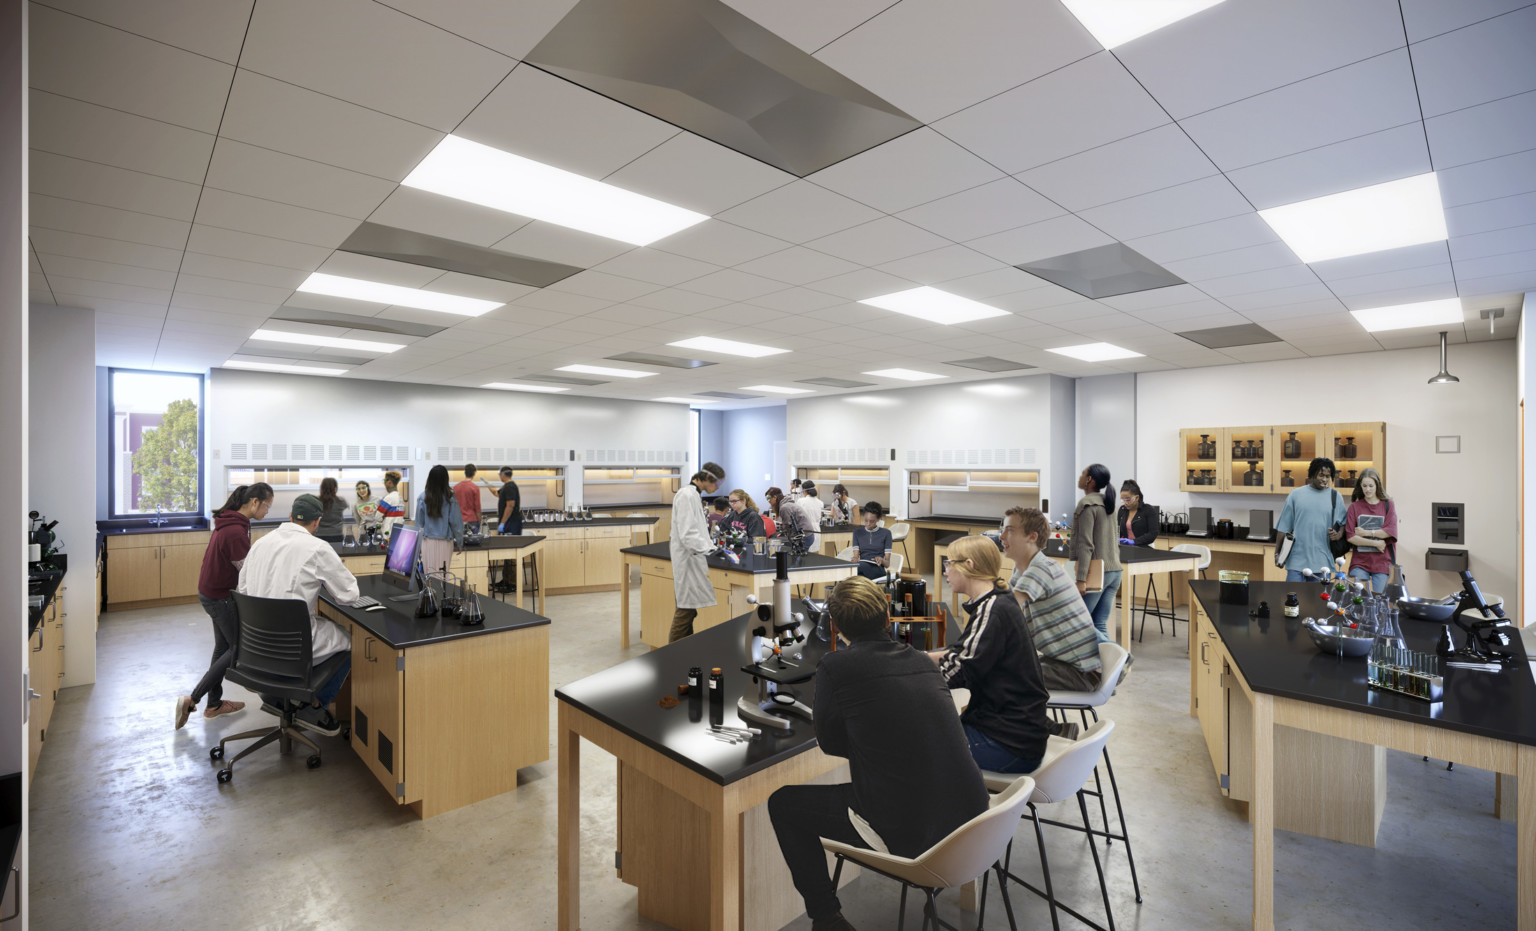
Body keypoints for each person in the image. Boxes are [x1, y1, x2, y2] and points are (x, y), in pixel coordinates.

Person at [769, 576, 987, 931]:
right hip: (974, 823)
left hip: (917, 833)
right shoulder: (920, 659)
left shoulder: (835, 667)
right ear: (888, 619)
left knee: (782, 804)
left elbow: (830, 743)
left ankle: (826, 918)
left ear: (836, 627)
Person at [929, 535, 1059, 772]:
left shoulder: (992, 611)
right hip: (1017, 732)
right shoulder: (998, 599)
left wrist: (904, 676)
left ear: (969, 565)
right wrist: (922, 657)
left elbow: (956, 672)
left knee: (913, 745)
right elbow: (963, 651)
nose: (945, 571)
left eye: (948, 564)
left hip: (1008, 744)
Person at [236, 493, 358, 736]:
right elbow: (349, 596)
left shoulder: (261, 543)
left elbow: (242, 590)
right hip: (292, 647)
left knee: (314, 630)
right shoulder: (317, 548)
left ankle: (275, 696)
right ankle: (313, 705)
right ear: (317, 522)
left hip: (254, 647)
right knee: (350, 642)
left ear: (291, 517)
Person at [173, 482, 273, 730]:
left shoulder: (232, 522)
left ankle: (214, 704)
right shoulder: (235, 532)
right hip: (220, 597)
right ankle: (193, 698)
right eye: (267, 506)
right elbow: (247, 573)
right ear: (254, 503)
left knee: (222, 647)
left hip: (211, 592)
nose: (267, 512)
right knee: (238, 648)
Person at [1003, 506, 1104, 692]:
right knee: (1000, 668)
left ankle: (1044, 723)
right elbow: (1006, 613)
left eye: (1009, 530)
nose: (1001, 537)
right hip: (1060, 664)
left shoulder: (1041, 569)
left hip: (1080, 673)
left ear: (1032, 537)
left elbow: (1004, 613)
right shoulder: (1021, 571)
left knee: (998, 677)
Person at [669, 461, 725, 642]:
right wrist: (711, 550)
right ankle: (669, 656)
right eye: (716, 483)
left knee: (690, 611)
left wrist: (711, 547)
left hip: (693, 559)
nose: (716, 488)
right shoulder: (686, 495)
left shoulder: (693, 495)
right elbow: (688, 534)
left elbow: (697, 530)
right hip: (687, 560)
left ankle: (684, 653)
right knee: (685, 611)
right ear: (707, 477)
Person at [1072, 463, 1122, 643]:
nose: (1080, 476)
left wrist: (1080, 579)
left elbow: (1085, 545)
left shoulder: (1086, 504)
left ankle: (1120, 659)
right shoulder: (1109, 504)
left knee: (1080, 623)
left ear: (1089, 480)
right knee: (1098, 624)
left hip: (1096, 574)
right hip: (1115, 571)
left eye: (1083, 473)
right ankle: (1115, 666)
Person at [1276, 457, 1347, 582]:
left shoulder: (1335, 496)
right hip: (1296, 561)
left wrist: (1339, 534)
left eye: (1327, 476)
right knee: (1293, 599)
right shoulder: (1296, 495)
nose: (1324, 479)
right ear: (1312, 473)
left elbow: (1344, 524)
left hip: (1323, 563)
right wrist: (1278, 554)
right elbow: (1284, 527)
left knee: (1318, 601)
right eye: (1321, 475)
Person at [1345, 468, 1397, 592]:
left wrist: (1365, 533)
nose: (1367, 489)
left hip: (1382, 562)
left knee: (1379, 600)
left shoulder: (1388, 505)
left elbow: (1389, 532)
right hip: (1359, 562)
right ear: (1360, 486)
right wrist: (1376, 543)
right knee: (1358, 598)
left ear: (1377, 485)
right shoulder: (1354, 507)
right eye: (1364, 486)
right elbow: (1351, 536)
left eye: (1370, 486)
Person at [416, 464, 464, 577]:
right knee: (443, 574)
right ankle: (442, 594)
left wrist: (417, 545)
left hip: (427, 542)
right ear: (445, 479)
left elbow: (418, 524)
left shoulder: (422, 497)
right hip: (445, 541)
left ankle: (430, 594)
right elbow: (456, 522)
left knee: (429, 574)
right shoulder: (450, 497)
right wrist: (460, 542)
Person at [850, 501, 892, 580]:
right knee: (857, 573)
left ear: (878, 519)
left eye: (872, 521)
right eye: (866, 520)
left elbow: (887, 564)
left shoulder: (886, 533)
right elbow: (856, 556)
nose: (868, 524)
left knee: (855, 574)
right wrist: (854, 559)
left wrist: (882, 560)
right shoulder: (857, 533)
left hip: (877, 568)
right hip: (861, 567)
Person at [1116, 478, 1158, 547]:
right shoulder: (1122, 510)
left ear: (1137, 498)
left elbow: (1152, 534)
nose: (1125, 503)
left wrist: (1134, 541)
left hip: (1144, 547)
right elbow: (1118, 530)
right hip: (1128, 548)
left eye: (1128, 499)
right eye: (1123, 499)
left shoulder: (1148, 510)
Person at [453, 464, 484, 535]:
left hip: (458, 520)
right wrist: (481, 522)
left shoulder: (455, 488)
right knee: (473, 543)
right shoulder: (475, 488)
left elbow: (453, 506)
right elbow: (477, 508)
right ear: (474, 473)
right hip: (472, 521)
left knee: (459, 543)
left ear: (465, 472)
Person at [315, 477, 347, 544]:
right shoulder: (341, 501)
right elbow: (345, 506)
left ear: (322, 488)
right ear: (335, 488)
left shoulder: (316, 501)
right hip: (336, 534)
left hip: (319, 535)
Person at [378, 470, 405, 541]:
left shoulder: (388, 498)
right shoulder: (400, 497)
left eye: (384, 480)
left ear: (389, 482)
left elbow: (377, 517)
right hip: (398, 533)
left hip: (388, 534)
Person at [496, 467, 522, 535]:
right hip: (508, 521)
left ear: (503, 474)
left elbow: (510, 506)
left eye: (500, 475)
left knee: (510, 543)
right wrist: (487, 484)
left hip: (511, 522)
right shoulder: (506, 486)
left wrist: (502, 523)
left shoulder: (510, 487)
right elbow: (496, 493)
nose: (500, 477)